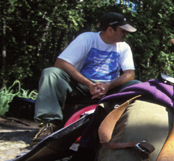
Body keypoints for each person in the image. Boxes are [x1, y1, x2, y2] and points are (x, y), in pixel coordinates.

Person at [32, 12, 140, 145]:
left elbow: (130, 74)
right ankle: (49, 125)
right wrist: (89, 84)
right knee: (51, 73)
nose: (126, 34)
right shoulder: (87, 39)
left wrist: (109, 85)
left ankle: (129, 128)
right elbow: (61, 63)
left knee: (136, 85)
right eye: (123, 31)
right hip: (82, 86)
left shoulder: (124, 47)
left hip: (110, 88)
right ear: (110, 30)